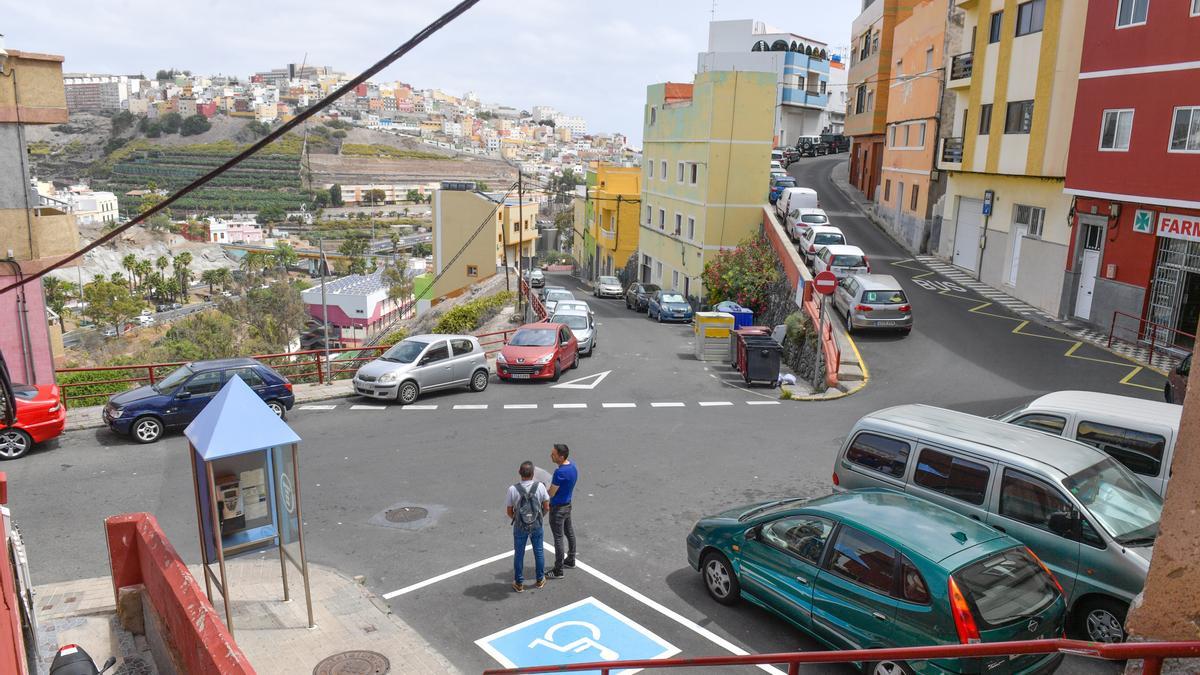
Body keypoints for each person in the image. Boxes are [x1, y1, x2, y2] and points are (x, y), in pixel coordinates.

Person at [506, 460, 550, 592]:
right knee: (539, 552)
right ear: (533, 474)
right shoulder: (540, 487)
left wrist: (518, 519)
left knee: (519, 554)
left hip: (520, 527)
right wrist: (539, 517)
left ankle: (519, 583)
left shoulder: (513, 489)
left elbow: (509, 511)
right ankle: (540, 579)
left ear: (520, 473)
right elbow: (547, 506)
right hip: (536, 525)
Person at [546, 443, 578, 579]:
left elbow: (551, 493)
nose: (551, 456)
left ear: (561, 456)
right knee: (569, 532)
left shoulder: (559, 472)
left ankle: (558, 570)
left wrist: (543, 489)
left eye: (554, 454)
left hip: (557, 509)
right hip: (567, 505)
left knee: (558, 538)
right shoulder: (573, 467)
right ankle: (570, 560)